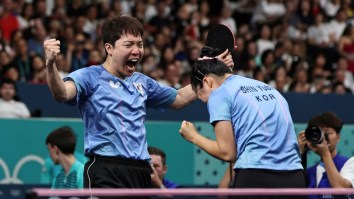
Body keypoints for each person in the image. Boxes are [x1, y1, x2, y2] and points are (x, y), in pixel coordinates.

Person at [43, 14, 234, 189]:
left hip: (141, 171)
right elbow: (62, 93)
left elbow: (179, 98)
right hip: (106, 169)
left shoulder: (142, 82)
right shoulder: (89, 77)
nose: (136, 51)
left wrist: (212, 69)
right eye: (129, 45)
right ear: (109, 48)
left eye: (140, 44)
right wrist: (50, 65)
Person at [179, 47, 305, 199]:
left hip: (256, 178)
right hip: (295, 178)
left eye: (203, 97)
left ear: (207, 81)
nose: (207, 102)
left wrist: (193, 137)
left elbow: (227, 153)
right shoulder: (268, 88)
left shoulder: (219, 94)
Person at [298, 112, 354, 199]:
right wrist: (300, 153)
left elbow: (342, 190)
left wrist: (325, 153)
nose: (324, 138)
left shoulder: (350, 163)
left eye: (328, 132)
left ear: (338, 137)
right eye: (319, 133)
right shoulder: (309, 172)